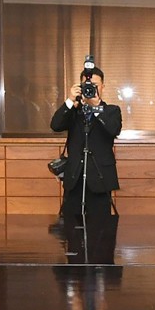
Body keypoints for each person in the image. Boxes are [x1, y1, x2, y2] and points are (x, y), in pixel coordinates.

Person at [50, 66, 122, 215]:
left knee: (100, 224)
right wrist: (70, 100)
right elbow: (55, 126)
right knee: (71, 223)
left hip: (100, 178)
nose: (91, 89)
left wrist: (96, 107)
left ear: (102, 87)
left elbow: (113, 130)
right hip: (74, 178)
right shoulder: (74, 111)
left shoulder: (111, 111)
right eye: (87, 86)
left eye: (95, 86)